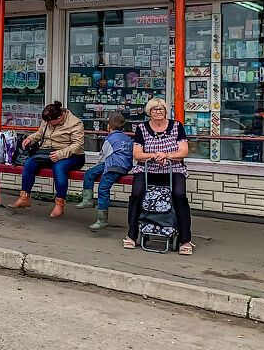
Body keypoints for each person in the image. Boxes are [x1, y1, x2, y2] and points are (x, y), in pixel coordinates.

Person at [126, 97, 194, 255]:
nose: (158, 112)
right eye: (155, 109)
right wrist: (154, 156)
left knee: (179, 195)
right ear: (149, 112)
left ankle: (185, 239)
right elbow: (137, 154)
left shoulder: (176, 126)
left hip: (173, 169)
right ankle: (131, 235)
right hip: (147, 169)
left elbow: (183, 151)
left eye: (161, 109)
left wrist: (167, 155)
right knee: (137, 194)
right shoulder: (141, 128)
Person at [10, 100, 85, 218]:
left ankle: (59, 204)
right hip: (47, 153)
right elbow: (40, 133)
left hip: (72, 156)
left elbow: (77, 145)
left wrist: (60, 154)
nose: (48, 124)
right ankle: (24, 198)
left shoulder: (75, 123)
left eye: (50, 122)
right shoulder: (48, 121)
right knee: (29, 163)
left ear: (59, 118)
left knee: (59, 167)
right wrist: (30, 139)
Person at [79, 113, 133, 231]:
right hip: (123, 166)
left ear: (109, 126)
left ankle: (100, 217)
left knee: (102, 187)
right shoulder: (127, 139)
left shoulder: (110, 139)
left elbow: (103, 155)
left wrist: (98, 166)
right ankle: (88, 200)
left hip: (112, 166)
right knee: (91, 173)